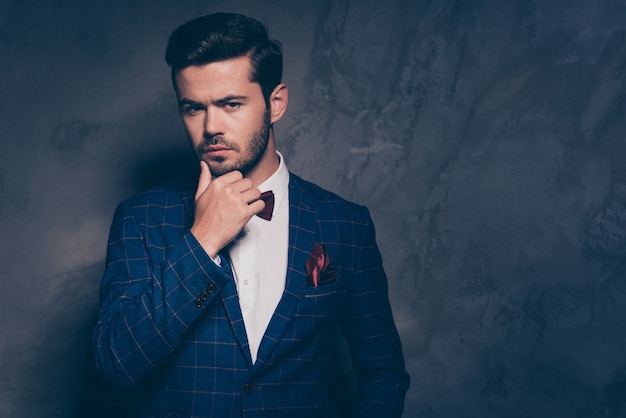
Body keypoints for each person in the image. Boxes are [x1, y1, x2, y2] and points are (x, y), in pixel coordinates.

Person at [92, 12, 410, 418]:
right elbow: (117, 365)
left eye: (231, 104)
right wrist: (202, 241)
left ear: (275, 103)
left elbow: (383, 373)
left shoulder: (345, 224)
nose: (211, 127)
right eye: (193, 108)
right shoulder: (141, 218)